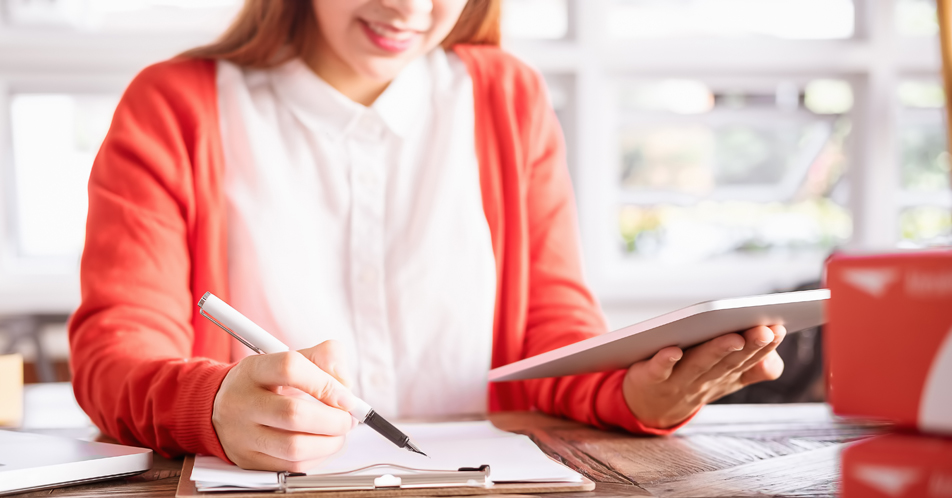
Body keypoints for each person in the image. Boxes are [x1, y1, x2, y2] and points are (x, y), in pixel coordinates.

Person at [69, 0, 786, 472]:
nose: (410, 8)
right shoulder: (176, 105)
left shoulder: (507, 97)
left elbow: (551, 337)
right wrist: (216, 405)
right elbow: (116, 356)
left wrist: (636, 395)